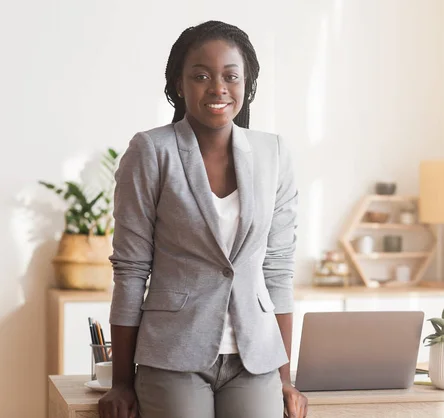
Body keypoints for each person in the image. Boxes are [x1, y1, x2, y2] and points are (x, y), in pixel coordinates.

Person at [98, 20, 307, 418]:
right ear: (179, 83)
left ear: (247, 85)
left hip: (255, 359)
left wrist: (284, 377)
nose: (218, 88)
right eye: (201, 76)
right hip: (174, 353)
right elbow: (130, 269)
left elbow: (277, 268)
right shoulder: (151, 151)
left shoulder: (273, 153)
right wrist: (121, 382)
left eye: (231, 76)